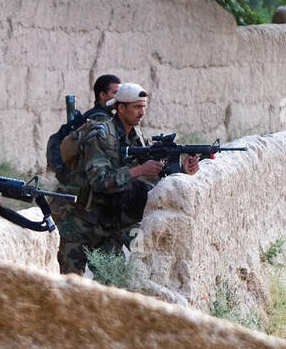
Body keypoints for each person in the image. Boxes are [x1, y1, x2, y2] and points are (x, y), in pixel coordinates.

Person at [56, 82, 199, 275]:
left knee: (112, 284)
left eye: (143, 107)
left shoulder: (135, 136)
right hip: (79, 224)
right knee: (71, 288)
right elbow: (99, 180)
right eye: (136, 107)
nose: (141, 113)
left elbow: (151, 175)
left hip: (109, 224)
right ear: (121, 108)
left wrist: (182, 169)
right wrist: (139, 170)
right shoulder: (100, 136)